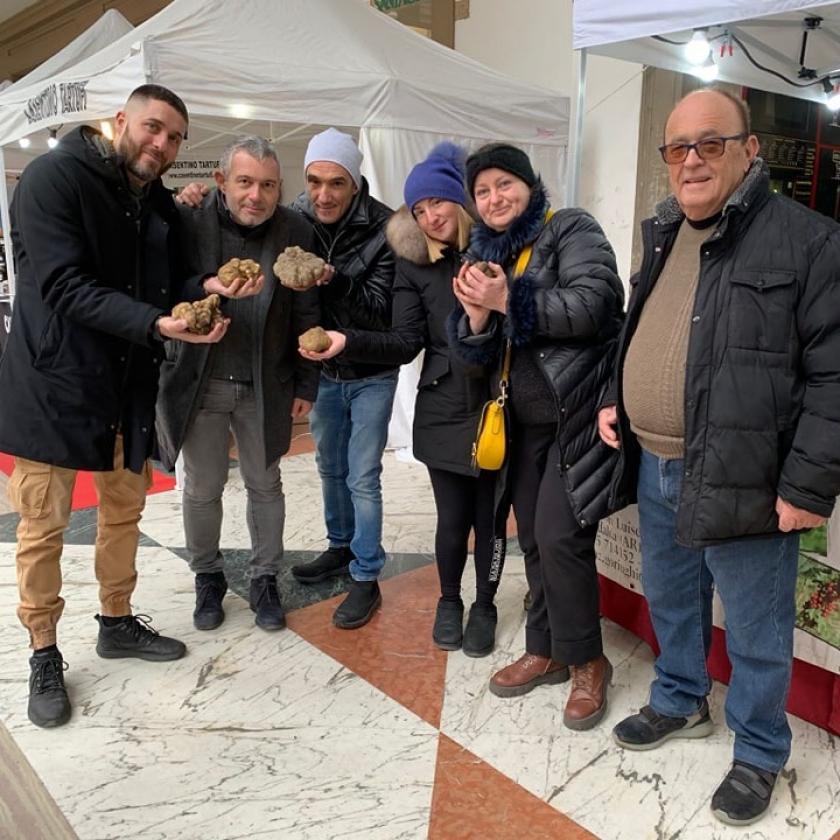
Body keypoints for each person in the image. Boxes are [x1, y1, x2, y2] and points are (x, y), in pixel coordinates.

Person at [598, 88, 840, 826]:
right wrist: (616, 395)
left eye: (711, 143)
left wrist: (807, 486)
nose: (692, 160)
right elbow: (639, 328)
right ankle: (681, 700)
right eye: (678, 147)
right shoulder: (665, 230)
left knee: (758, 628)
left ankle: (761, 750)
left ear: (749, 150)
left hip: (748, 474)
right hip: (656, 461)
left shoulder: (809, 240)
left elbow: (834, 375)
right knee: (672, 598)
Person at [0, 85, 238, 729]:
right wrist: (158, 324)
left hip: (127, 382)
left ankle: (116, 620)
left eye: (174, 137)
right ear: (119, 121)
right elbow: (63, 285)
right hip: (53, 384)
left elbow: (168, 280)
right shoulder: (53, 179)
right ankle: (43, 652)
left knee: (123, 509)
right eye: (152, 127)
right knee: (43, 525)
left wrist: (205, 288)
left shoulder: (152, 198)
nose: (161, 144)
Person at [300, 143, 503, 655]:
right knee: (451, 518)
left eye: (438, 201)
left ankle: (485, 605)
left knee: (490, 518)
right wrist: (348, 341)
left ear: (461, 199)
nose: (431, 216)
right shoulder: (414, 264)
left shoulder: (499, 250)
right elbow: (405, 340)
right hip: (442, 404)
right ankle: (450, 601)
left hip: (498, 407)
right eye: (419, 209)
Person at [449, 143, 624, 730]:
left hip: (577, 414)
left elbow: (596, 305)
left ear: (529, 185)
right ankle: (545, 648)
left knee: (559, 536)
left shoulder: (570, 228)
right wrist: (477, 319)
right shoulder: (483, 254)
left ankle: (588, 660)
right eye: (482, 191)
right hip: (520, 424)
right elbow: (472, 359)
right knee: (533, 539)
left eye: (505, 184)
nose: (494, 198)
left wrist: (507, 299)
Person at [157, 136, 321, 633]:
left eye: (268, 185)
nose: (256, 195)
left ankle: (264, 577)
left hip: (265, 381)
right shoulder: (189, 219)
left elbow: (307, 308)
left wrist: (306, 383)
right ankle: (207, 576)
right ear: (221, 181)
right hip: (201, 380)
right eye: (245, 182)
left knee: (265, 484)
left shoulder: (295, 229)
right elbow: (165, 285)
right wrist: (206, 285)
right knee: (202, 487)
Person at [288, 128, 396, 630]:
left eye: (336, 183)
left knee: (362, 475)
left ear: (355, 183)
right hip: (324, 371)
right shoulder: (296, 219)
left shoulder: (386, 228)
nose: (323, 194)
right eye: (315, 181)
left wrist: (336, 278)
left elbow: (382, 313)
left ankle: (367, 574)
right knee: (330, 468)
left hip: (372, 370)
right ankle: (340, 547)